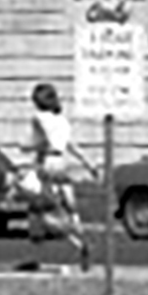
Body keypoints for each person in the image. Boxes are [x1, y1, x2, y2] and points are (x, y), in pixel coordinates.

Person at [24, 82, 95, 269]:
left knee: (40, 207)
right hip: (62, 162)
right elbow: (70, 145)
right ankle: (78, 229)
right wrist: (89, 164)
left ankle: (52, 245)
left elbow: (40, 142)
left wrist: (26, 147)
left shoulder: (39, 119)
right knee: (68, 204)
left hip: (47, 162)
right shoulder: (62, 121)